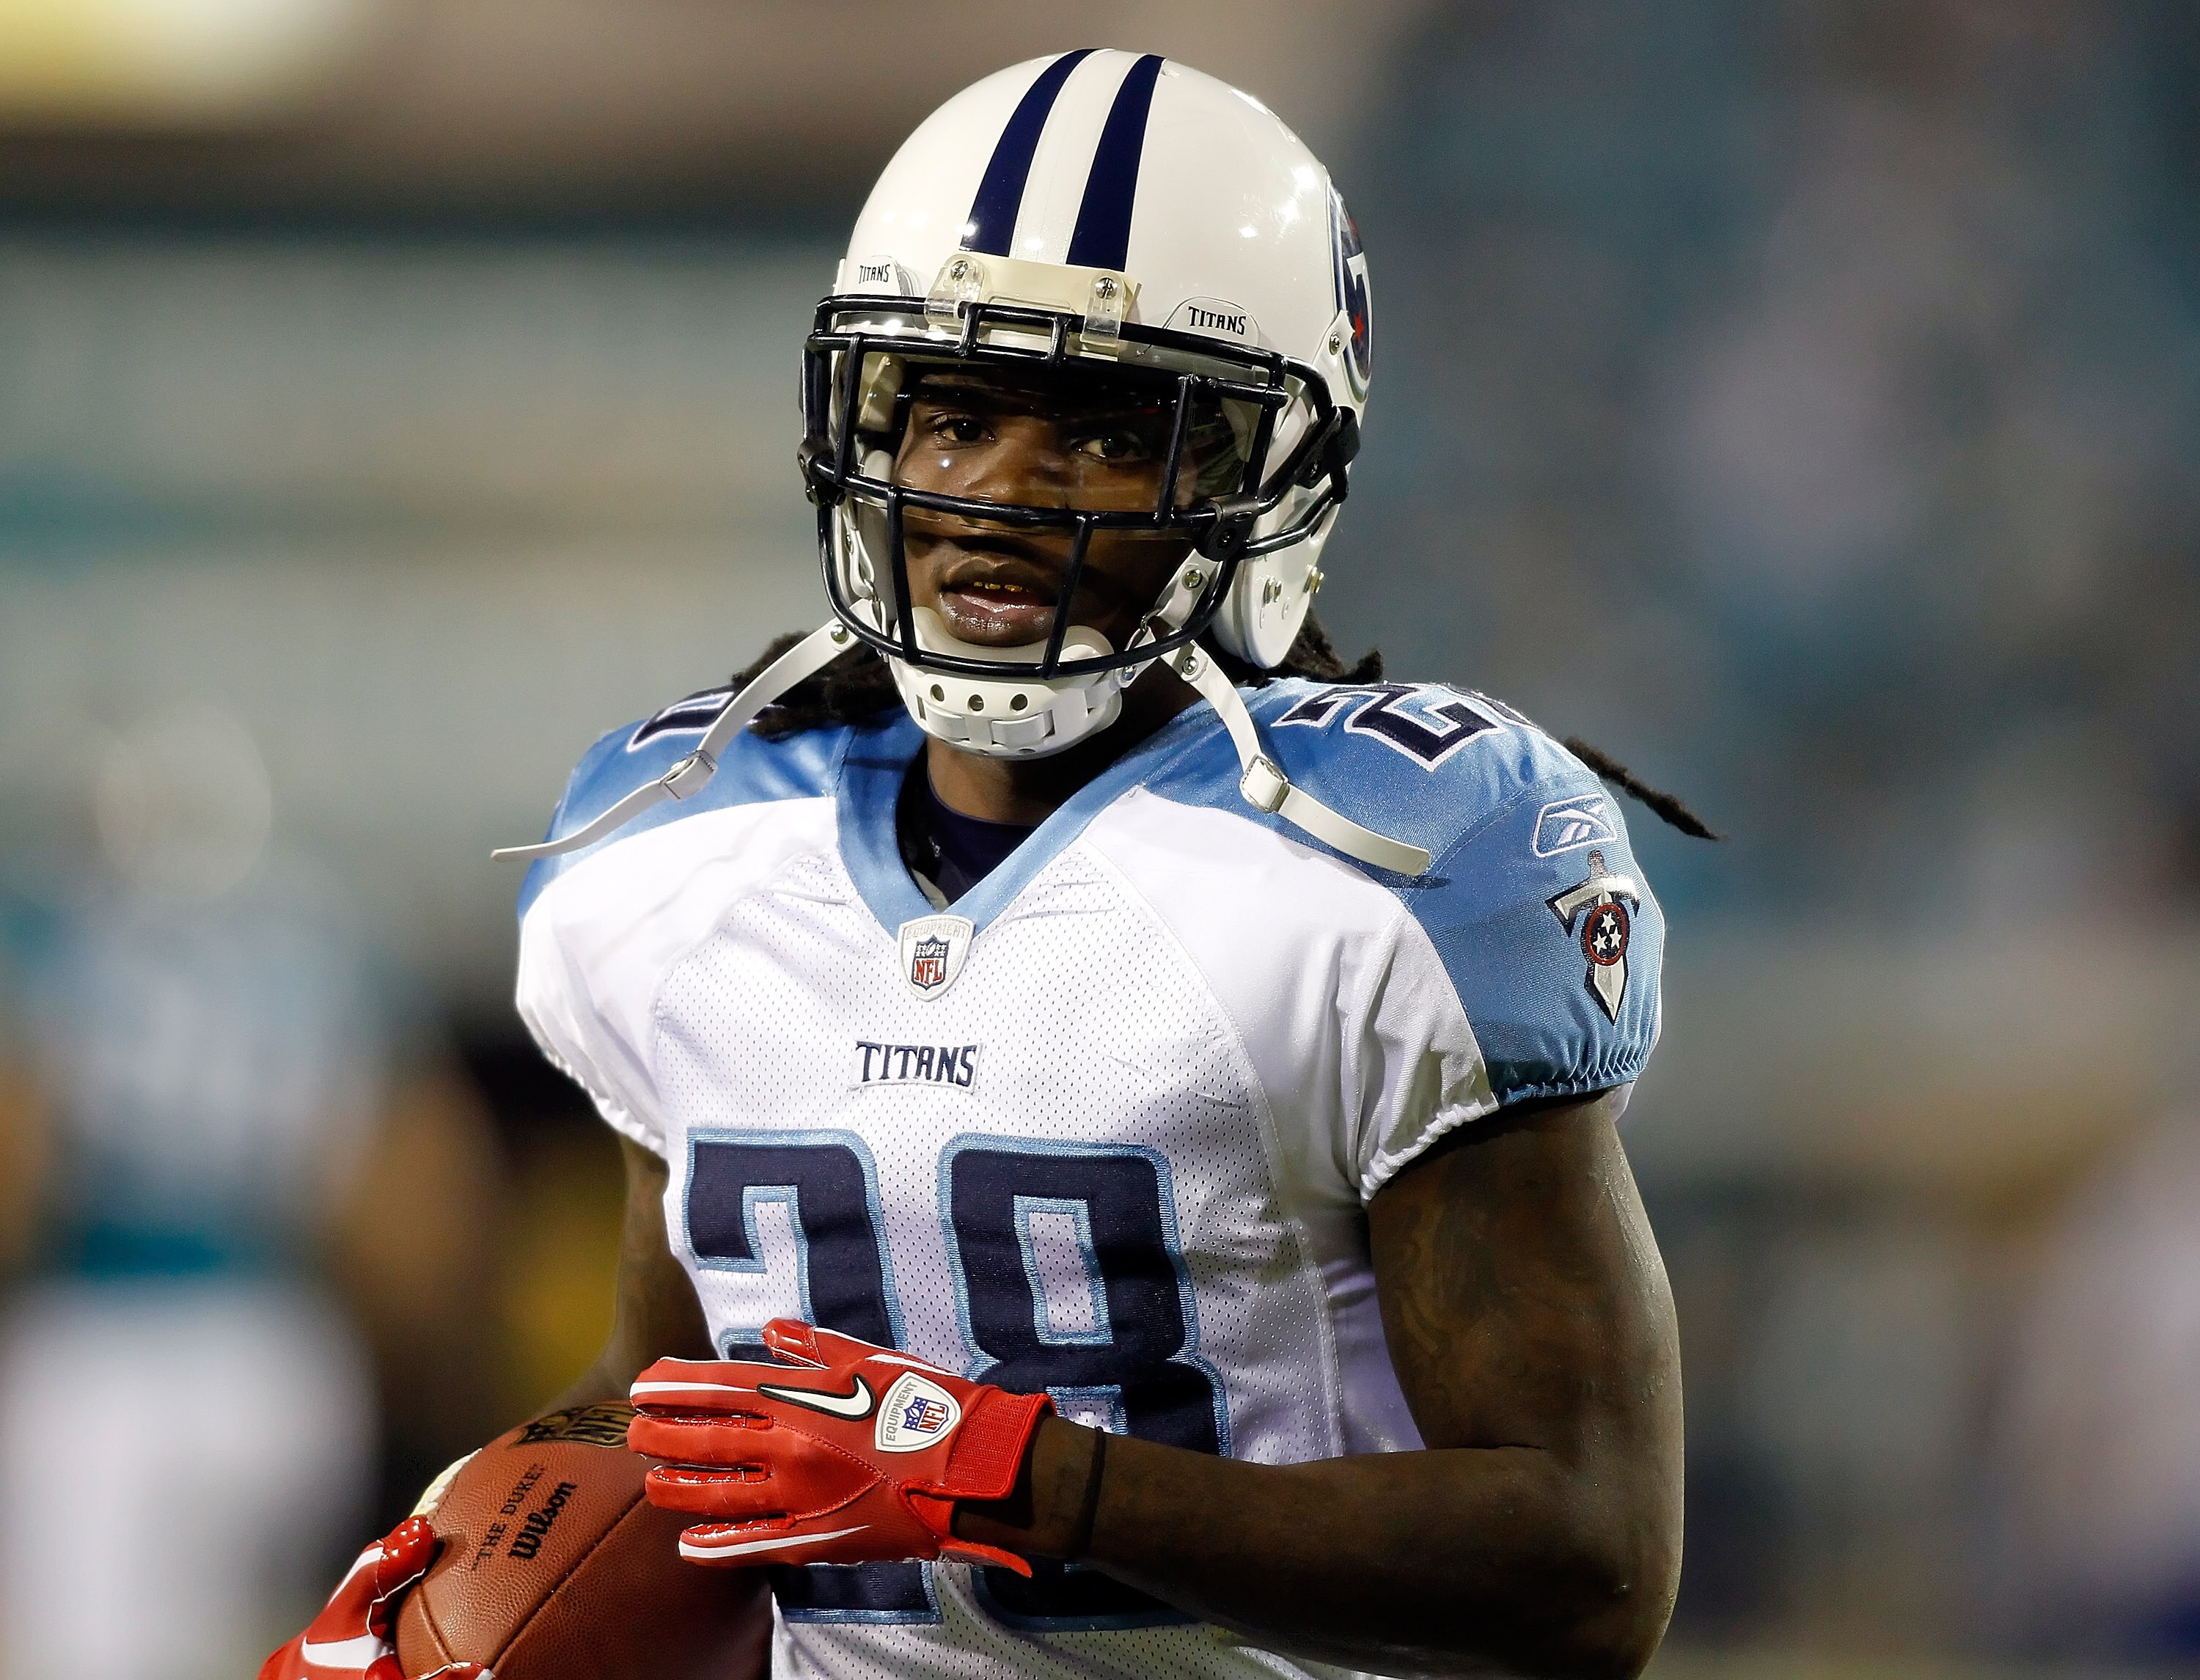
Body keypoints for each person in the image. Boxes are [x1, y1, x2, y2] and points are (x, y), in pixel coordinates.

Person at [265, 49, 1684, 1680]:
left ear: (1270, 475)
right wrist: (466, 1583)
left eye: (1107, 435)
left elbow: (1587, 1564)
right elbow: (674, 1413)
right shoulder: (686, 850)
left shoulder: (1382, 862)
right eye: (952, 418)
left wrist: (1029, 1481)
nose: (1001, 493)